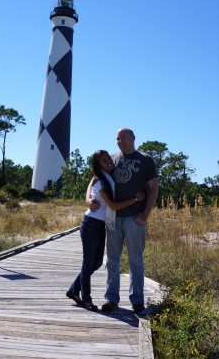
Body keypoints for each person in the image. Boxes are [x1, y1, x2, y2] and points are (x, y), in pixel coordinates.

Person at [87, 128, 158, 314]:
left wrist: (145, 215)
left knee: (136, 261)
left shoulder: (145, 160)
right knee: (112, 261)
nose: (121, 142)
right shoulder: (111, 160)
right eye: (118, 139)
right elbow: (94, 178)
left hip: (135, 218)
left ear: (133, 138)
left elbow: (153, 188)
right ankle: (111, 299)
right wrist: (88, 199)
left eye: (124, 138)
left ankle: (137, 301)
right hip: (113, 218)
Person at [67, 149, 146, 311]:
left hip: (101, 225)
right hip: (90, 224)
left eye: (108, 158)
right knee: (88, 263)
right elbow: (114, 206)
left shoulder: (106, 175)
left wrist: (88, 197)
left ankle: (74, 290)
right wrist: (135, 199)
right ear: (98, 165)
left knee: (96, 263)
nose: (109, 161)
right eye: (104, 161)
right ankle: (86, 300)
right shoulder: (102, 180)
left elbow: (92, 180)